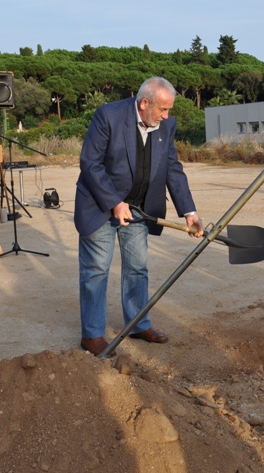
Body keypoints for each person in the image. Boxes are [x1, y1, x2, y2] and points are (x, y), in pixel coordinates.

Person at [74, 76, 203, 356]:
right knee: (96, 270)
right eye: (162, 109)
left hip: (138, 209)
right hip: (99, 204)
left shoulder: (165, 126)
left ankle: (137, 323)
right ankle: (92, 335)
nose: (167, 116)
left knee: (137, 267)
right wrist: (114, 201)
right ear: (145, 103)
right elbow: (90, 163)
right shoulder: (108, 115)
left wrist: (189, 212)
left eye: (168, 110)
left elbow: (172, 167)